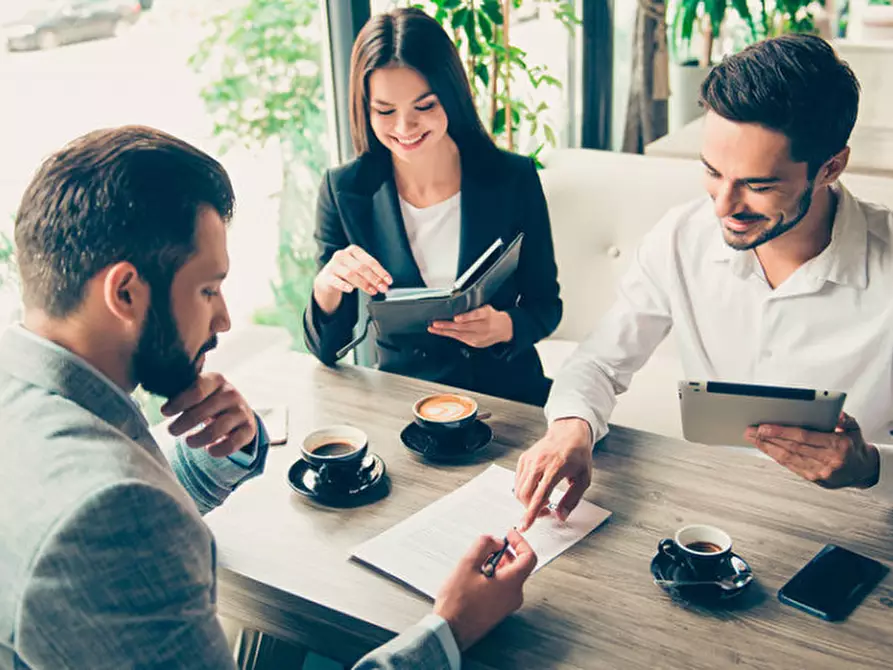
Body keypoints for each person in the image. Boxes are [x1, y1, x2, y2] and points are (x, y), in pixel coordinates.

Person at [0, 126, 537, 669]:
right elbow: (121, 516)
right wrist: (449, 629)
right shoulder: (108, 513)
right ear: (124, 293)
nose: (225, 318)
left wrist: (219, 453)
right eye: (208, 290)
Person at [514, 34, 893, 530]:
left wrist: (872, 469)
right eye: (713, 172)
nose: (722, 206)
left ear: (830, 168)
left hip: (854, 533)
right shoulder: (682, 237)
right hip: (705, 516)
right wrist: (571, 426)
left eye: (758, 185)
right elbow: (601, 361)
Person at [303, 8, 562, 407]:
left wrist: (505, 326)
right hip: (406, 406)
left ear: (451, 98)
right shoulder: (345, 191)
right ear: (365, 107)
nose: (405, 128)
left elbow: (546, 305)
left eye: (424, 106)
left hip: (508, 399)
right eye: (385, 111)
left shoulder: (513, 177)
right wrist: (327, 286)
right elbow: (327, 349)